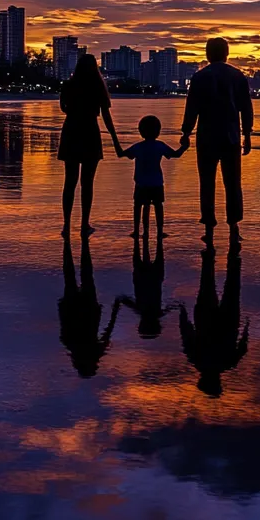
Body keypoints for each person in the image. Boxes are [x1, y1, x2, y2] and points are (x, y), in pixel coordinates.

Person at [179, 37, 254, 247]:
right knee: (233, 183)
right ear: (226, 53)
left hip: (207, 136)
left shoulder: (200, 77)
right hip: (231, 136)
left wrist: (186, 132)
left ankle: (209, 227)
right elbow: (245, 107)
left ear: (207, 54)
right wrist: (247, 134)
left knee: (207, 182)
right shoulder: (237, 76)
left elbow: (192, 107)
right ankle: (233, 227)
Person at [58, 53, 123, 238]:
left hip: (71, 131)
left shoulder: (68, 85)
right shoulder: (97, 87)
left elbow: (63, 108)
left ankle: (66, 225)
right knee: (87, 183)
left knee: (69, 182)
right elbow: (107, 118)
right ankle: (84, 224)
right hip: (89, 132)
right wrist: (116, 143)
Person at [179, 240, 248, 397]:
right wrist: (183, 315)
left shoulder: (227, 363)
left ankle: (231, 252)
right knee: (207, 283)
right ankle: (214, 249)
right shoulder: (198, 360)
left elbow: (243, 347)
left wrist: (246, 328)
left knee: (231, 285)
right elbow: (186, 334)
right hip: (207, 318)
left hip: (227, 321)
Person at [58, 237, 121, 378]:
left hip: (87, 309)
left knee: (84, 276)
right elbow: (107, 331)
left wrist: (115, 310)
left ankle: (75, 243)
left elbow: (108, 330)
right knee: (72, 275)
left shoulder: (90, 349)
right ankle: (73, 244)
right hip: (79, 308)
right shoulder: (71, 345)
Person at [120, 114, 187, 238]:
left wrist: (115, 140)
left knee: (140, 206)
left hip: (141, 183)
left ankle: (138, 231)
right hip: (156, 183)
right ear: (158, 131)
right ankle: (160, 231)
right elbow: (175, 155)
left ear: (141, 131)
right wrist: (184, 147)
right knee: (158, 206)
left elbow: (122, 154)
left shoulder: (138, 147)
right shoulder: (159, 145)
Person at [118, 232, 174, 339]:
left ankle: (148, 234)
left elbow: (172, 307)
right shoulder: (142, 311)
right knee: (147, 250)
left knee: (156, 250)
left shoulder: (153, 312)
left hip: (152, 278)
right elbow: (123, 299)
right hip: (145, 278)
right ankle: (153, 234)